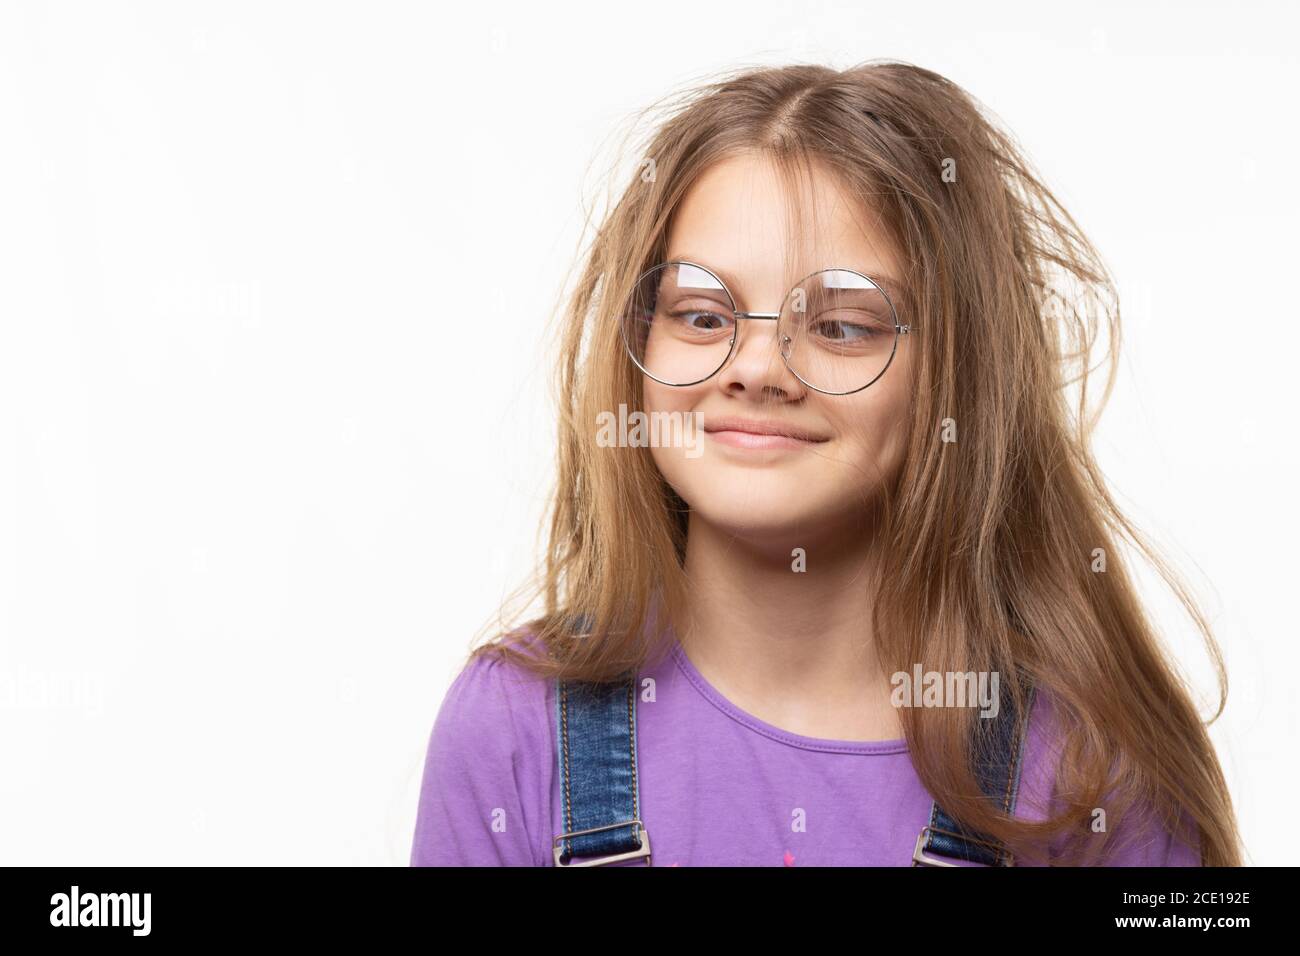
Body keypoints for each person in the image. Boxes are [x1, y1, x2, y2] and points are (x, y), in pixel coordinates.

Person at [411, 60, 1241, 866]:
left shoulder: (1093, 772)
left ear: (958, 374)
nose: (758, 368)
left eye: (842, 327)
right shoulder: (515, 729)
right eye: (702, 315)